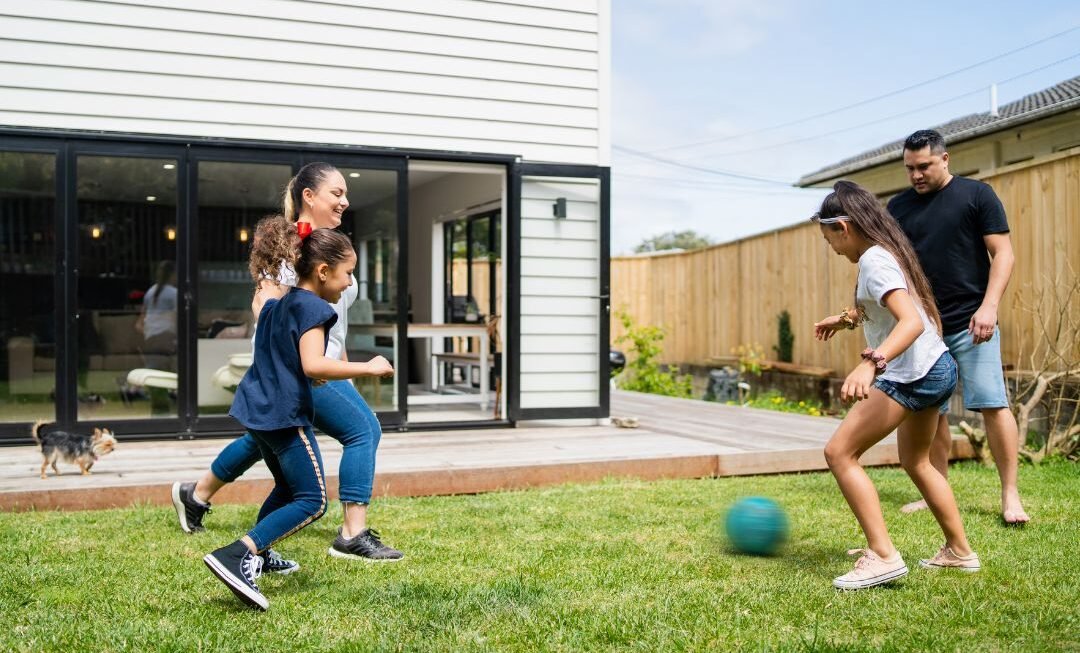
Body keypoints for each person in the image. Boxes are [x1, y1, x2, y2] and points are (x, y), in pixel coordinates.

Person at [173, 163, 403, 570]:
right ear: (309, 196)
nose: (345, 200)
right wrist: (301, 360)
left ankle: (197, 494)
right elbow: (265, 306)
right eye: (337, 192)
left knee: (265, 439)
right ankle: (352, 534)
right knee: (362, 430)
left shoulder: (329, 247)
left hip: (321, 364)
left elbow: (337, 323)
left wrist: (345, 365)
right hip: (301, 368)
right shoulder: (287, 248)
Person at [204, 227, 392, 610]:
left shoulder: (282, 303)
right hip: (283, 414)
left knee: (289, 489)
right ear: (323, 271)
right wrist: (369, 367)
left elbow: (284, 350)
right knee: (312, 499)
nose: (350, 282)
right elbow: (312, 364)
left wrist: (313, 368)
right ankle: (238, 553)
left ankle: (258, 554)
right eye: (347, 273)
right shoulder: (317, 309)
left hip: (256, 408)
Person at [812, 181, 979, 590]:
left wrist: (872, 364)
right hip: (937, 366)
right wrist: (848, 319)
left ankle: (883, 556)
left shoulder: (874, 260)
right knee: (917, 461)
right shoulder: (886, 252)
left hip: (912, 373)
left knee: (839, 453)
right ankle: (959, 551)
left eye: (828, 237)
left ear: (844, 227)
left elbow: (911, 321)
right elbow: (886, 306)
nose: (831, 247)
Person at [887, 129, 1029, 525]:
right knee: (930, 412)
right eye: (910, 168)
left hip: (972, 321)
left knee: (992, 403)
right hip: (925, 327)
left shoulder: (976, 195)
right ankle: (937, 489)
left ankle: (1010, 494)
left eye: (924, 166)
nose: (916, 175)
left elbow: (1003, 254)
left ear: (945, 159)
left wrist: (989, 307)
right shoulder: (898, 207)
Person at [135, 260, 178, 371]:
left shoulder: (149, 292)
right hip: (168, 338)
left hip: (150, 339)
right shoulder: (174, 293)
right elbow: (176, 320)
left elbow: (139, 323)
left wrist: (149, 333)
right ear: (173, 274)